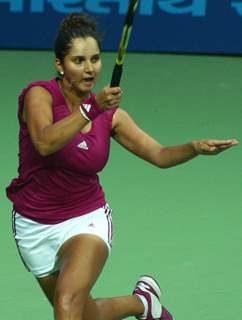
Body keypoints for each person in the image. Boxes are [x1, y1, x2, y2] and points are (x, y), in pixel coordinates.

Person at [6, 13, 238, 320]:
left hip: (85, 218)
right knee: (84, 314)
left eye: (95, 59)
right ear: (60, 65)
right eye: (78, 60)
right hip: (33, 225)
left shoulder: (111, 117)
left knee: (66, 305)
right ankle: (142, 304)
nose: (90, 68)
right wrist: (92, 108)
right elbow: (45, 142)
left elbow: (159, 154)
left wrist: (194, 148)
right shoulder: (40, 95)